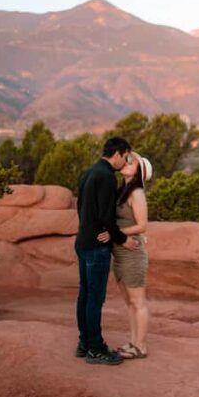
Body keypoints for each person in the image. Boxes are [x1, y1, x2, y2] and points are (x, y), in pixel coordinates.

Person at [75, 136, 138, 365]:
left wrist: (89, 229)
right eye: (127, 156)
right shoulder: (107, 177)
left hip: (82, 242)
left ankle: (84, 343)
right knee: (94, 299)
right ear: (118, 154)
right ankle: (95, 348)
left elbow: (81, 207)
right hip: (95, 247)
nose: (126, 161)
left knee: (85, 296)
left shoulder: (89, 172)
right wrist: (121, 239)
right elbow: (106, 216)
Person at [97, 152, 153, 359]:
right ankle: (133, 342)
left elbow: (142, 225)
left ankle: (141, 346)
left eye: (132, 162)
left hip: (132, 254)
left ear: (139, 172)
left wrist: (115, 234)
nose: (127, 163)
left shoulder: (136, 192)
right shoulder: (123, 191)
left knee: (138, 302)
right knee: (129, 302)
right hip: (120, 253)